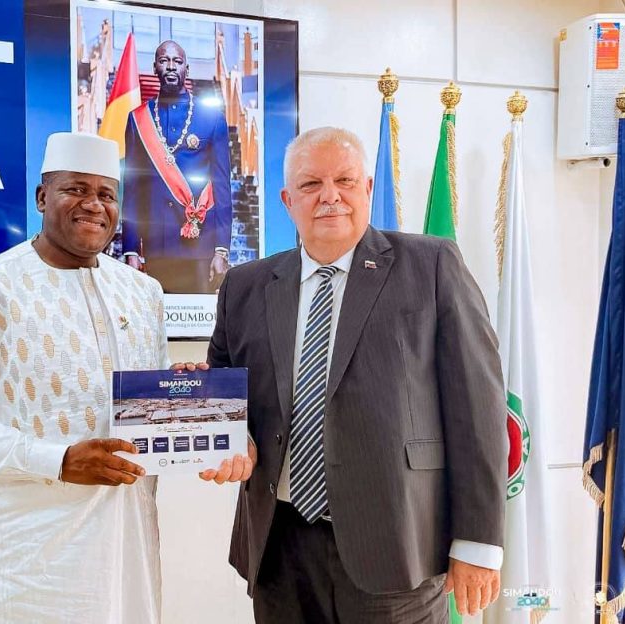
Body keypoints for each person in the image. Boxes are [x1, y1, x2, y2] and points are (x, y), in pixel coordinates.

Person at [204, 127, 507, 623]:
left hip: (397, 545)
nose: (330, 196)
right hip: (279, 548)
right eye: (311, 184)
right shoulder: (245, 286)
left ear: (367, 188)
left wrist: (477, 541)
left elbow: (479, 409)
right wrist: (230, 435)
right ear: (287, 200)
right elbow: (225, 390)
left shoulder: (431, 265)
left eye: (344, 180)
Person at [0, 132, 170, 623]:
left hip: (129, 535)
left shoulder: (144, 293)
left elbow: (153, 404)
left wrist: (191, 399)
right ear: (42, 197)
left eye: (106, 194)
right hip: (31, 547)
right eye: (75, 189)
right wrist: (57, 461)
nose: (93, 205)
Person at [121, 39, 232, 294]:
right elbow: (133, 189)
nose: (171, 66)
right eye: (164, 60)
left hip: (200, 245)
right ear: (155, 68)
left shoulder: (212, 117)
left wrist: (221, 249)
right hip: (155, 246)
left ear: (186, 69)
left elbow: (222, 187)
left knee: (201, 319)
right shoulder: (138, 119)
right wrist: (131, 249)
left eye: (177, 61)